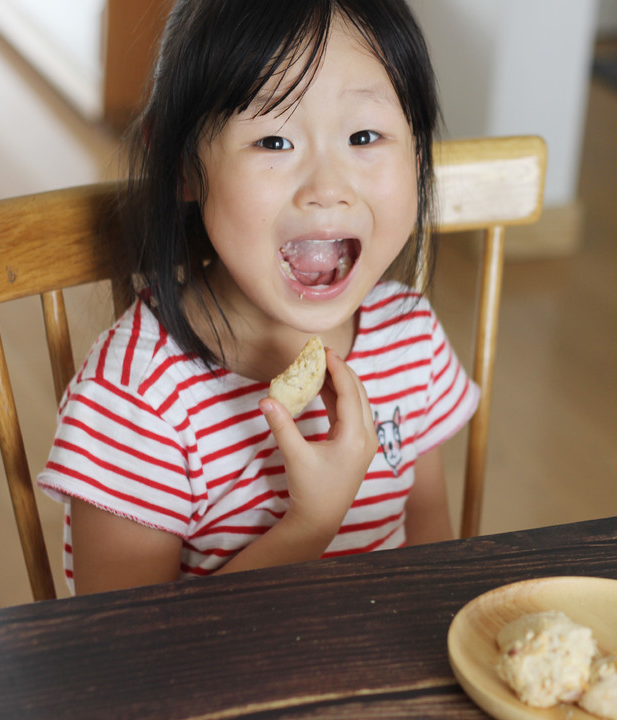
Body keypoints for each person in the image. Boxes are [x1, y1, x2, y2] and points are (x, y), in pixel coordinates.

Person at [37, 0, 479, 594]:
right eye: (273, 141)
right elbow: (131, 659)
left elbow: (436, 575)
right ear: (185, 166)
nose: (327, 189)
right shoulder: (140, 401)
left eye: (365, 135)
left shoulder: (411, 340)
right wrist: (310, 524)